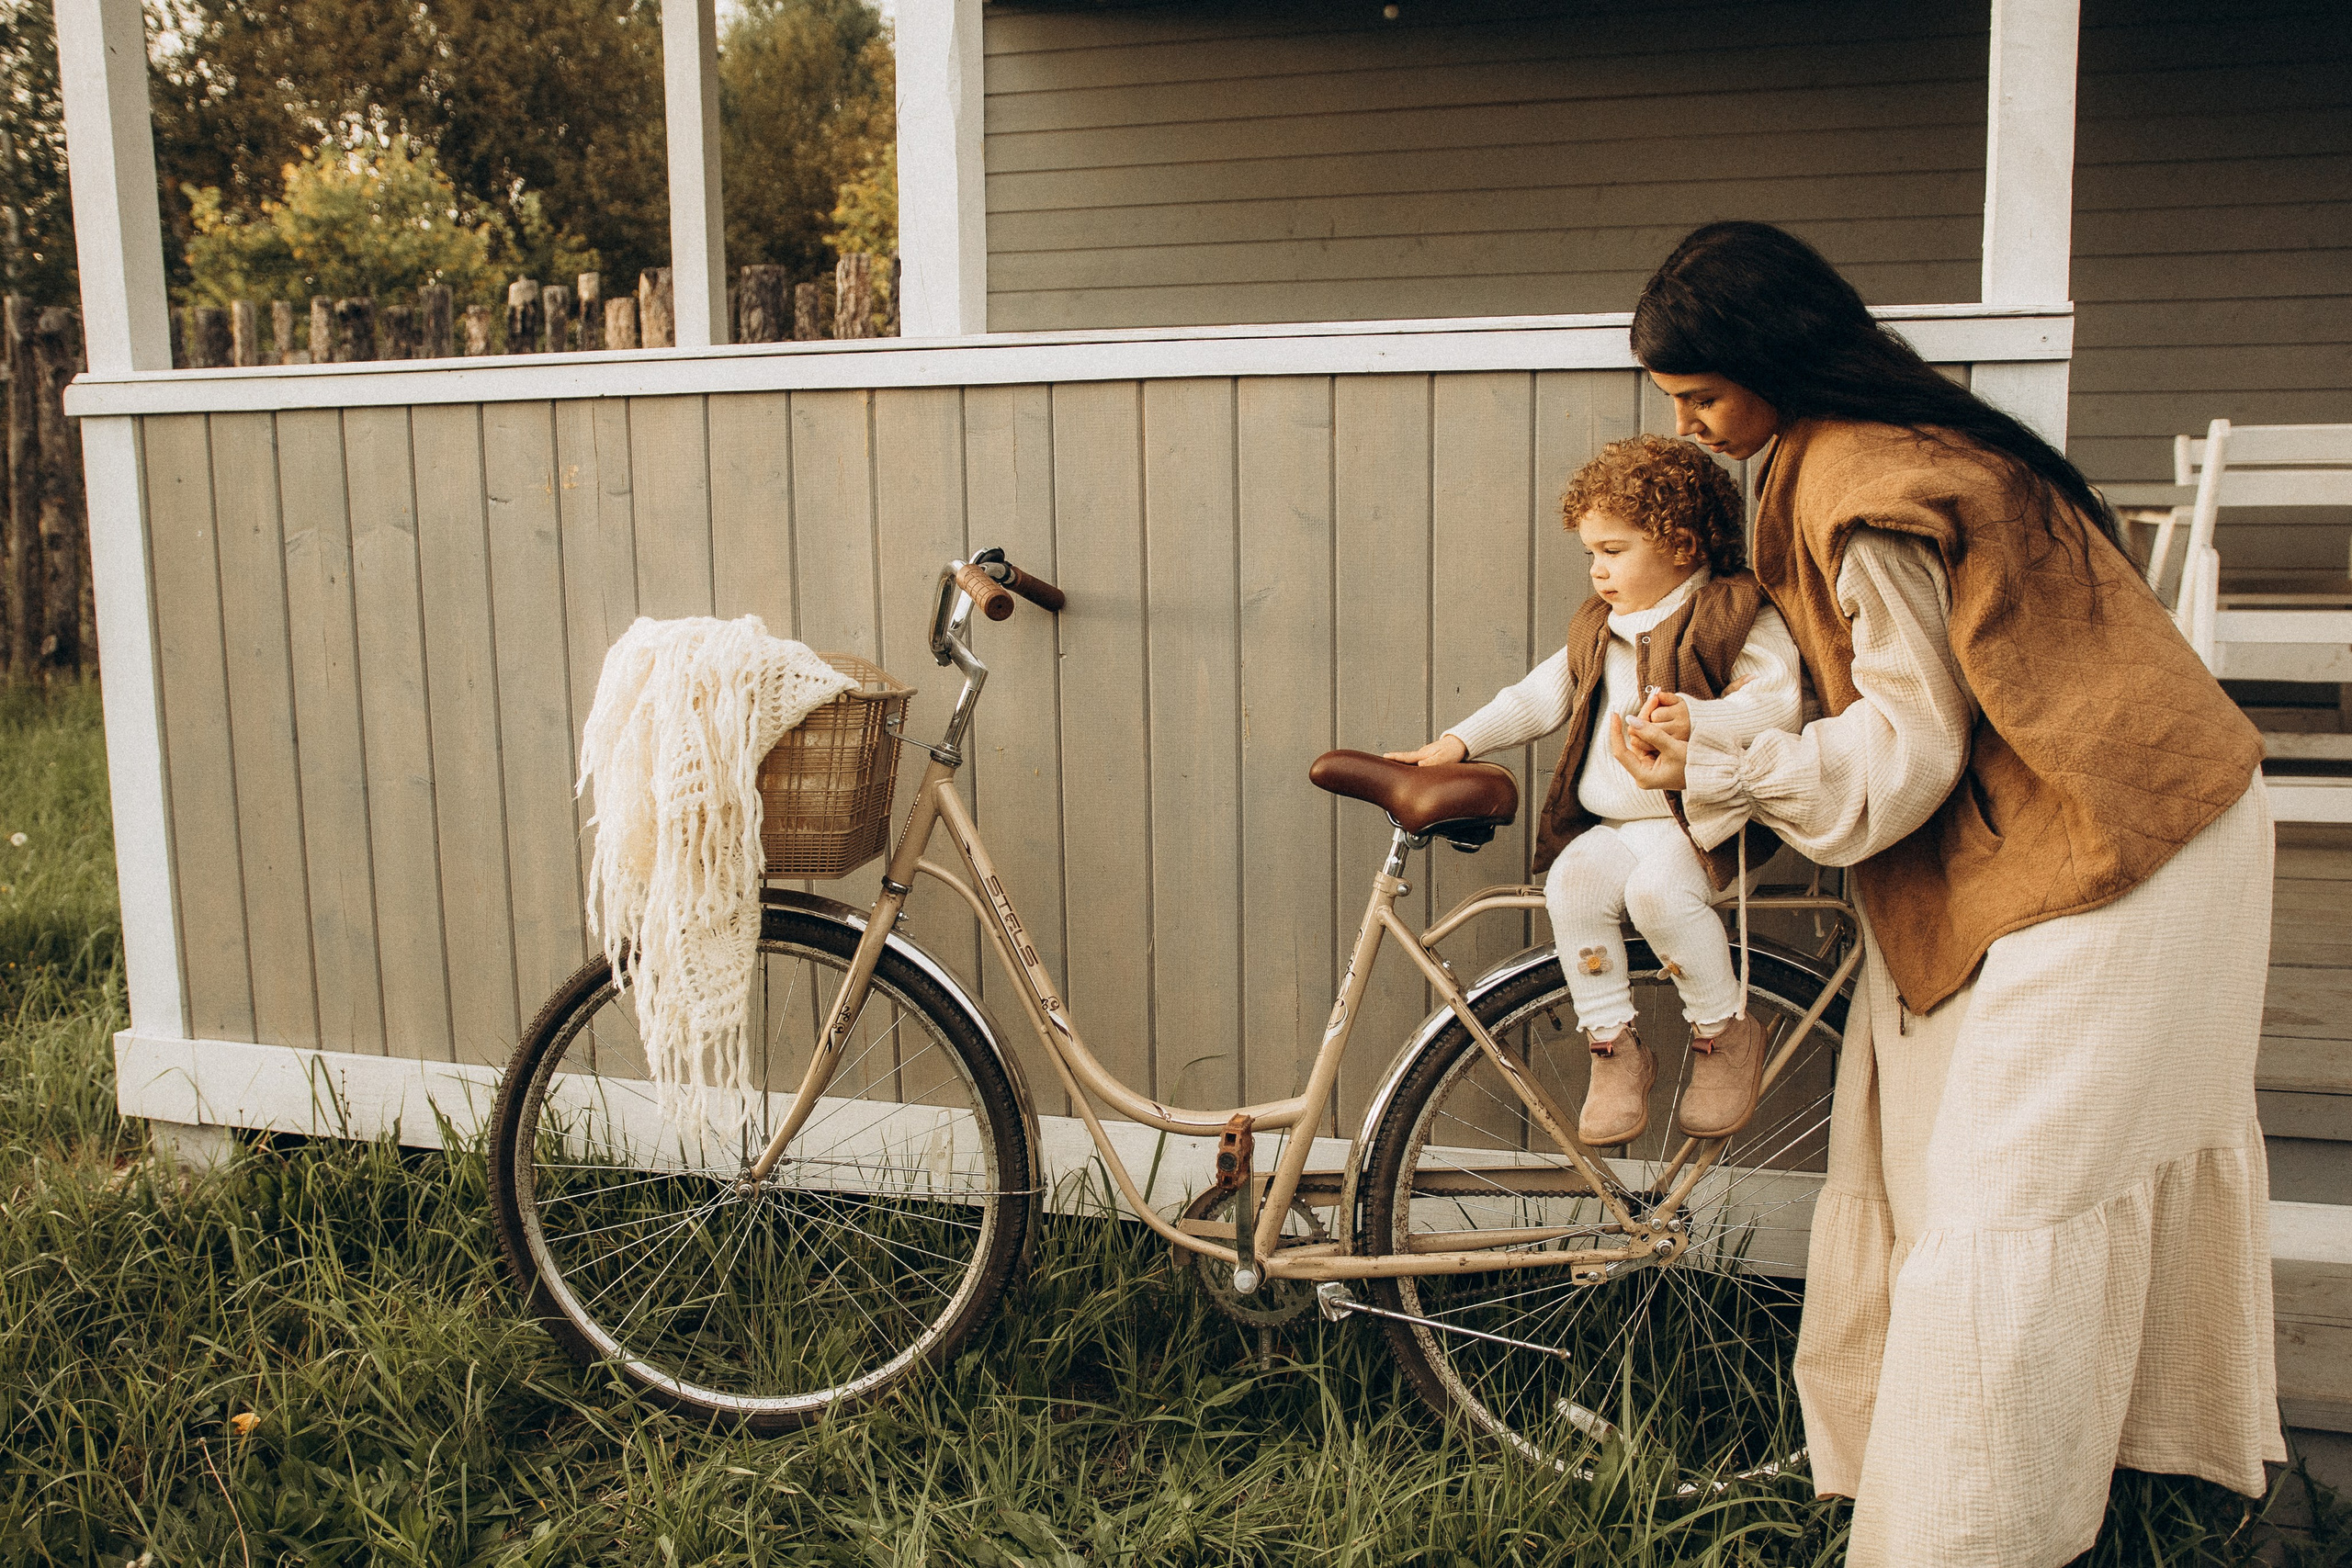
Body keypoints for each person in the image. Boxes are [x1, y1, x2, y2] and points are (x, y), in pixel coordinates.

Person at [1605, 220, 2278, 1567]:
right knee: (1940, 1168)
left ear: (1778, 359)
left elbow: (1904, 761)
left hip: (2118, 855)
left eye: (1704, 397)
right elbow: (1921, 725)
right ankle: (1990, 1509)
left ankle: (1971, 1542)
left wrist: (1737, 762)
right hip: (2094, 823)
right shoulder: (1879, 439)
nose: (1696, 429)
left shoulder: (1859, 483)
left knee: (2004, 1207)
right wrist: (1726, 749)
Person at [1387, 434, 1803, 1145]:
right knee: (1571, 886)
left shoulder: (1735, 613)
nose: (1597, 570)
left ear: (1681, 545)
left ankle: (1724, 1032)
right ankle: (1613, 1046)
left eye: (1613, 550)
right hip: (1619, 825)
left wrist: (1702, 717)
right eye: (1591, 554)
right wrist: (1458, 742)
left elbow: (1779, 700)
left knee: (1658, 897)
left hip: (1699, 822)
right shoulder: (1598, 628)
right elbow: (1537, 697)